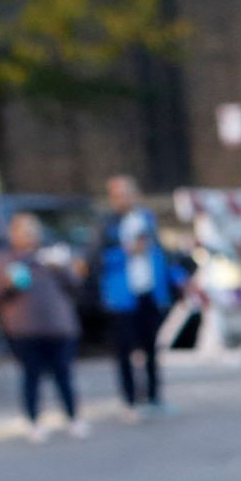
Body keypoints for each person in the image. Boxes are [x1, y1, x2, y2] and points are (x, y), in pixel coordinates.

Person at [0, 213, 88, 442]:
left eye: (32, 230)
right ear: (13, 233)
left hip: (59, 327)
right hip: (25, 328)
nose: (29, 235)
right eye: (23, 230)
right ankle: (33, 421)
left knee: (64, 375)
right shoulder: (4, 259)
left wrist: (62, 267)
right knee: (31, 376)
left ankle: (73, 417)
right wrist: (11, 280)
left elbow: (75, 286)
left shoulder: (52, 257)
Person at [94, 175, 190, 417]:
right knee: (125, 350)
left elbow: (161, 253)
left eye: (125, 193)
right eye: (116, 195)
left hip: (149, 293)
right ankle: (130, 401)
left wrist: (177, 278)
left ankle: (154, 397)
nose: (121, 199)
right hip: (122, 298)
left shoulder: (146, 220)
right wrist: (125, 252)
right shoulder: (107, 224)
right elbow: (95, 259)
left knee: (151, 348)